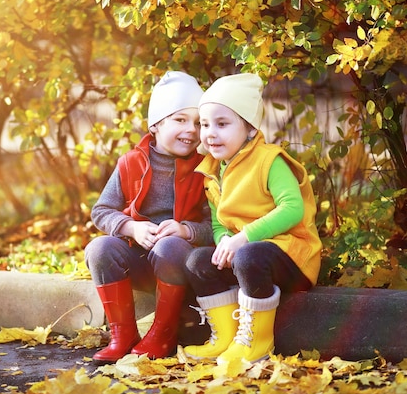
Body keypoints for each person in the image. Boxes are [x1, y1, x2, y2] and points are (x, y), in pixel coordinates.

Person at [182, 73, 322, 366]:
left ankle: (256, 344)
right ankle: (226, 339)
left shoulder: (270, 160)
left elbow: (292, 209)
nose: (210, 133)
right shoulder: (212, 170)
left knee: (248, 255)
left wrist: (242, 239)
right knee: (197, 261)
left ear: (248, 128)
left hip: (291, 255)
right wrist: (224, 244)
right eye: (205, 124)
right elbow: (221, 223)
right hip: (247, 253)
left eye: (222, 124)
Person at [85, 71, 213, 364]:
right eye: (180, 120)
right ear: (155, 124)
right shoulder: (130, 163)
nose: (191, 130)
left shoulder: (205, 168)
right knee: (99, 248)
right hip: (138, 259)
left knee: (170, 246)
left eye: (197, 122)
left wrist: (185, 230)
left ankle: (163, 333)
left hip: (179, 263)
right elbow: (101, 211)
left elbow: (214, 226)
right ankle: (123, 334)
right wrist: (130, 227)